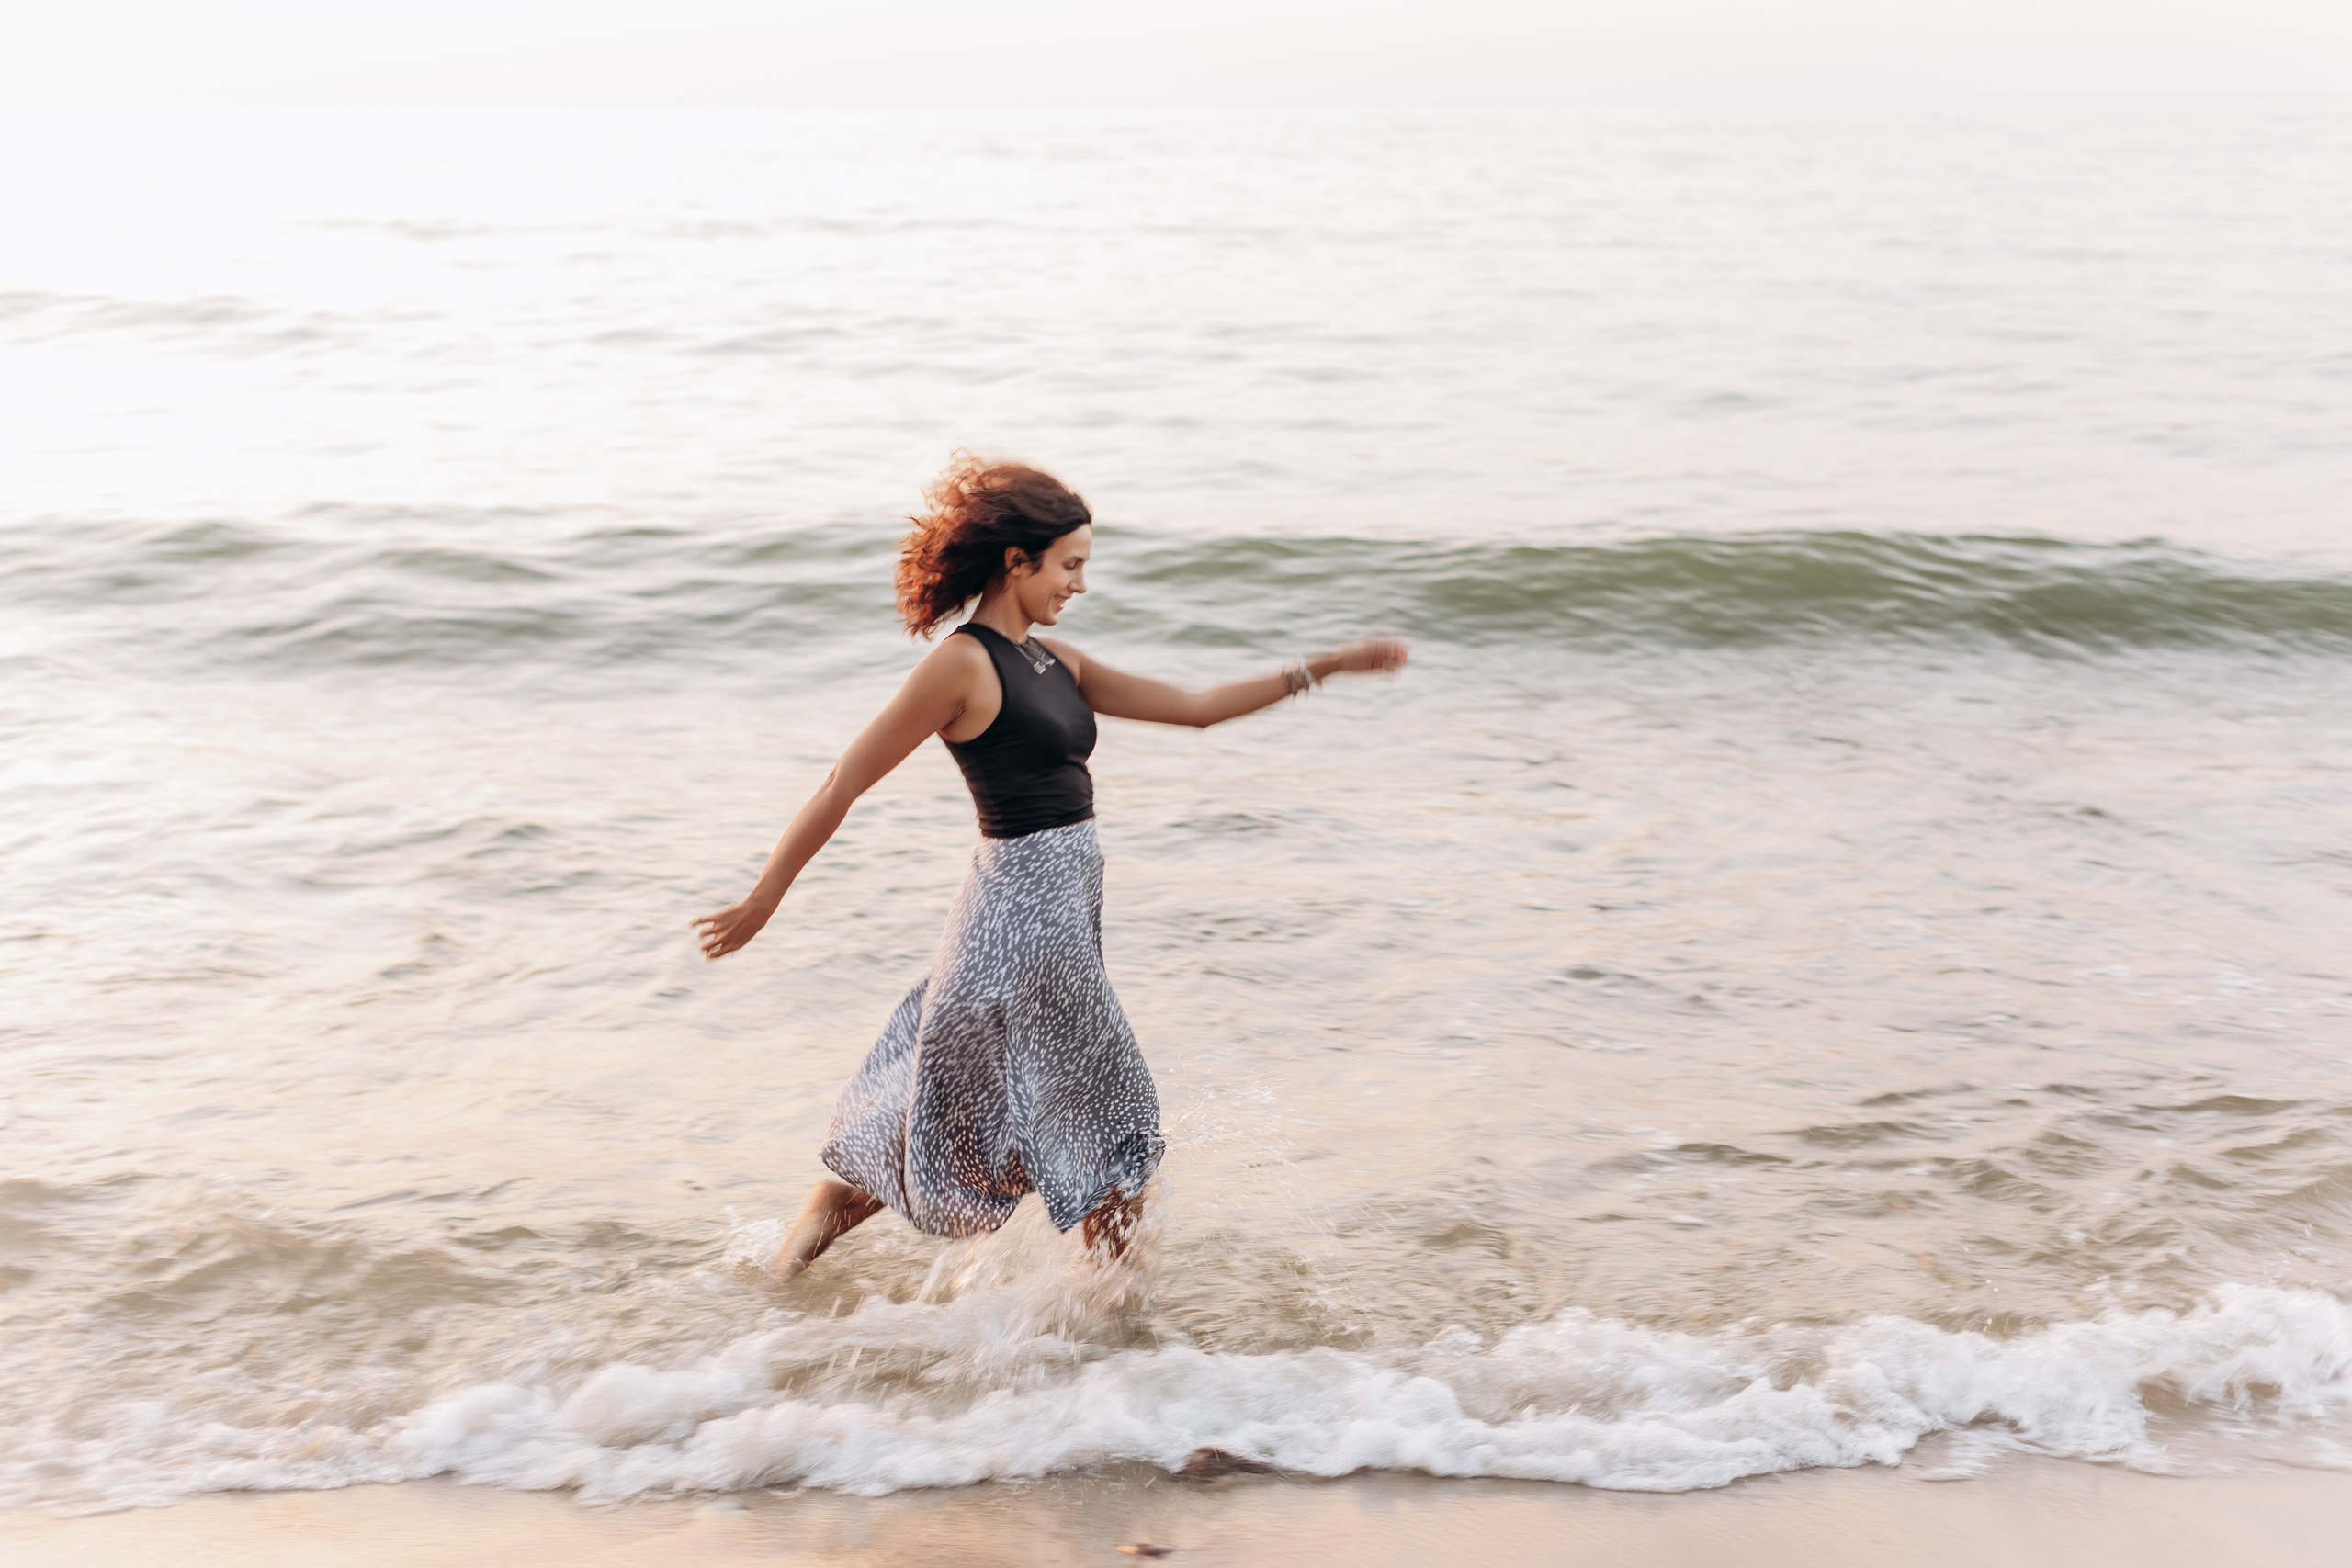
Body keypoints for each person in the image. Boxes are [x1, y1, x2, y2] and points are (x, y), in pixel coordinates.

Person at [693, 457, 1407, 1282]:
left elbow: (1198, 709)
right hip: (1019, 926)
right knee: (1108, 1122)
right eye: (1069, 564)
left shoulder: (1054, 662)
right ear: (1016, 561)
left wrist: (1326, 664)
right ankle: (1106, 1330)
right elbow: (844, 780)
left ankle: (788, 1283)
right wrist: (761, 899)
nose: (1078, 583)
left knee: (926, 1115)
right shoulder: (962, 665)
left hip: (1048, 925)